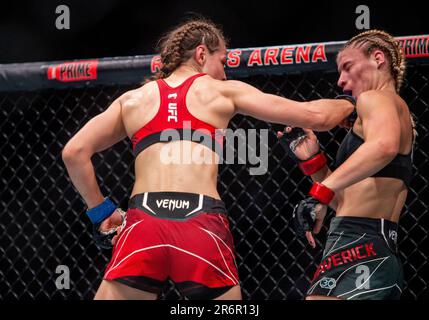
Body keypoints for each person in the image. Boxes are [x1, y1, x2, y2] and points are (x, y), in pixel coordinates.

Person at [62, 17, 354, 300]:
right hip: (200, 222)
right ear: (202, 53)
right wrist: (353, 103)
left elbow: (74, 152)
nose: (225, 73)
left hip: (144, 221)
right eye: (223, 62)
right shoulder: (221, 91)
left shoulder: (133, 99)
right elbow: (318, 116)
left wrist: (102, 213)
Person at [279, 29, 414, 300]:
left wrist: (321, 191)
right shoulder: (385, 111)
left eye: (347, 67)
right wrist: (313, 162)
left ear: (378, 59)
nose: (341, 80)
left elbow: (385, 146)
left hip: (361, 243)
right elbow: (346, 202)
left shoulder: (378, 98)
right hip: (358, 241)